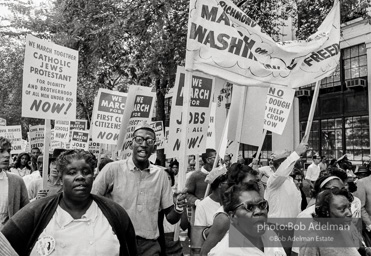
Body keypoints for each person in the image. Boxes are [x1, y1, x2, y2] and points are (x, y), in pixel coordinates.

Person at [1, 149, 137, 256]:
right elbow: (4, 245)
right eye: (72, 172)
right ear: (61, 178)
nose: (80, 177)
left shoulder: (115, 213)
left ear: (93, 176)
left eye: (86, 172)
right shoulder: (36, 212)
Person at [92, 124, 186, 256]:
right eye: (139, 140)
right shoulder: (112, 169)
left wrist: (179, 207)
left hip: (148, 246)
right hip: (116, 242)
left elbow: (171, 218)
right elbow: (91, 202)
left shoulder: (161, 175)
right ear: (131, 144)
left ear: (154, 148)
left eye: (149, 141)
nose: (144, 144)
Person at [200, 163, 263, 255]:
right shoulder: (224, 218)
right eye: (249, 185)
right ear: (236, 187)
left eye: (257, 183)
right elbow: (205, 253)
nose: (257, 188)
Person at [208, 181, 286, 256]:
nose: (259, 211)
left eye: (262, 205)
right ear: (233, 216)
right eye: (250, 207)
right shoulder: (224, 253)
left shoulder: (269, 234)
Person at [299, 188, 366, 256]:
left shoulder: (346, 230)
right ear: (326, 212)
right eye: (342, 209)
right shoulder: (312, 241)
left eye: (349, 207)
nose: (349, 213)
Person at [0, 137, 29, 230]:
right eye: (1, 151)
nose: (7, 155)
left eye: (8, 151)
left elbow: (26, 215)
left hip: (7, 240)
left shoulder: (16, 181)